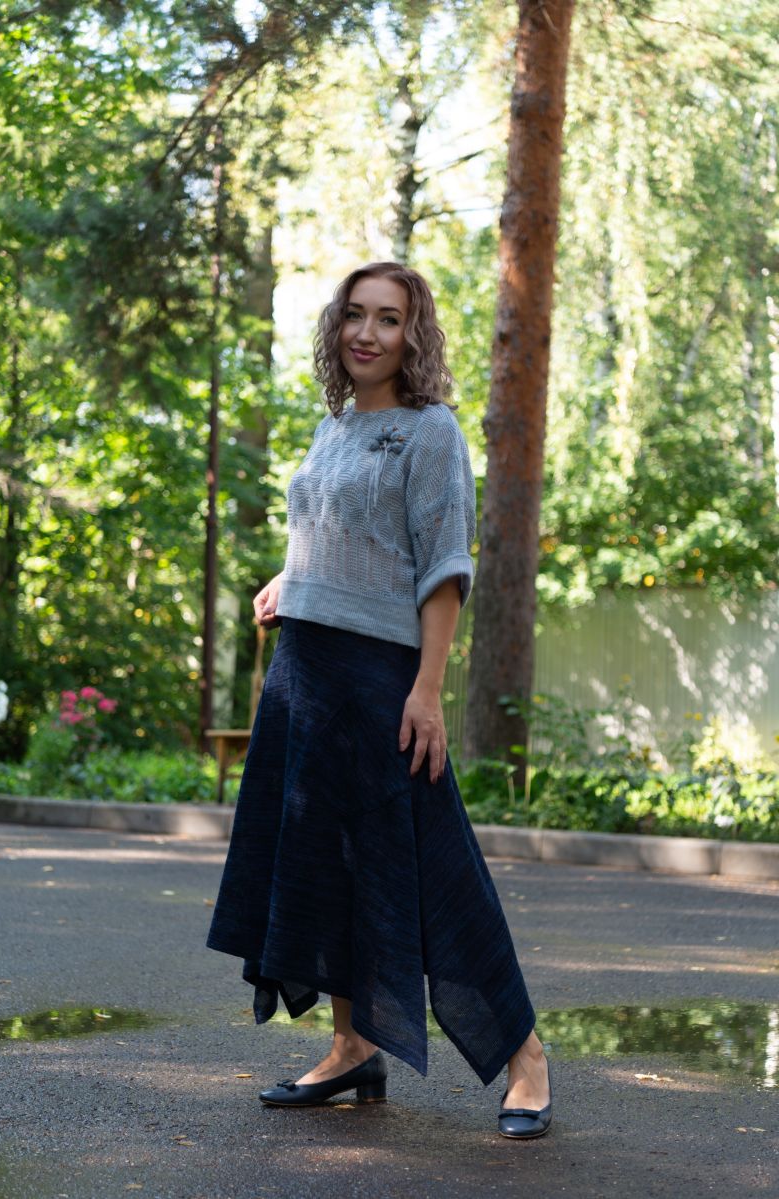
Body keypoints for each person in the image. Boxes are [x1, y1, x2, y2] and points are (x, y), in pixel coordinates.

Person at [205, 261, 552, 1139]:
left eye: (388, 319)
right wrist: (291, 578)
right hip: (303, 674)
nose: (367, 333)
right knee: (326, 862)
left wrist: (427, 691)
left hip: (381, 683)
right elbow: (341, 532)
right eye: (355, 315)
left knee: (440, 870)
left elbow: (443, 568)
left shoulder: (431, 431)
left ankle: (526, 1059)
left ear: (413, 334)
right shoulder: (334, 427)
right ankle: (352, 1046)